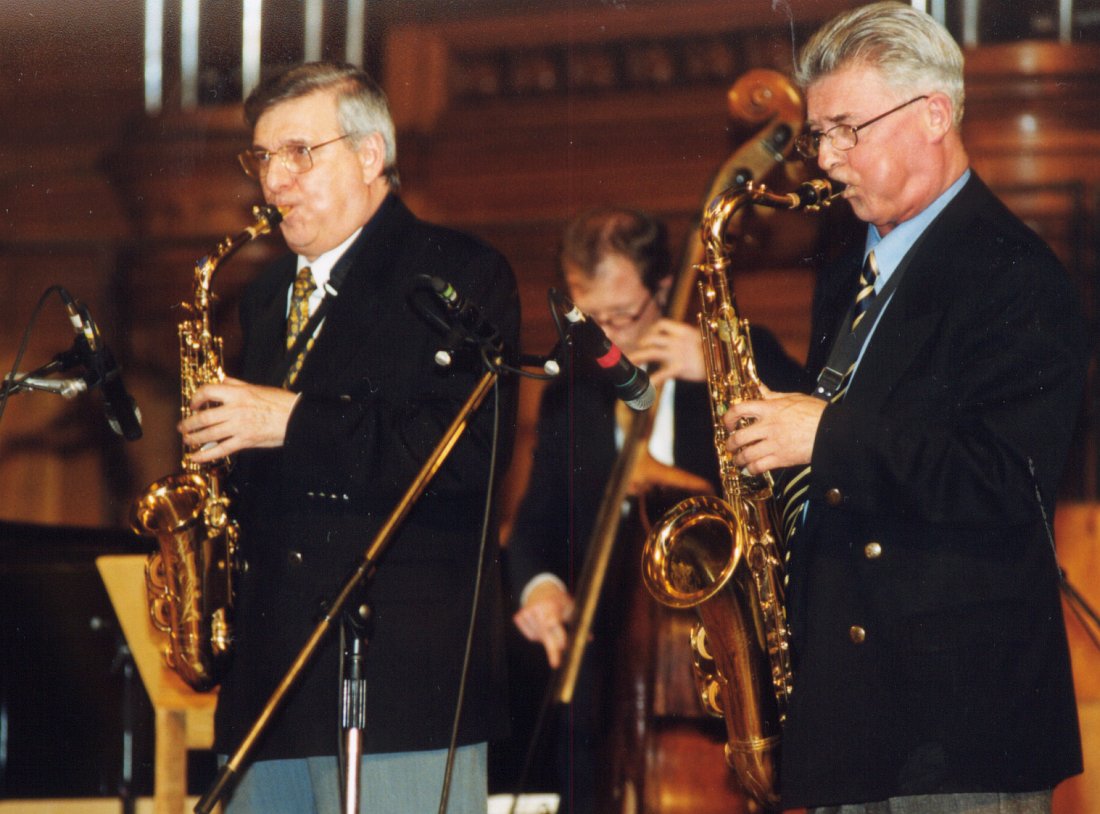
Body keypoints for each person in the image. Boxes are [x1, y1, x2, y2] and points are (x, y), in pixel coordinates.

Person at [723, 3, 1087, 812]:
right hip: (853, 723)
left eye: (848, 128)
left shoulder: (1014, 274)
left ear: (934, 114)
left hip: (955, 733)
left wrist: (825, 434)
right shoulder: (850, 269)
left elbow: (1006, 481)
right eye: (820, 135)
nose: (826, 158)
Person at [178, 62, 519, 814]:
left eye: (300, 152)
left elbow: (461, 454)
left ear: (370, 156)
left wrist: (287, 420)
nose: (275, 182)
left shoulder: (458, 271)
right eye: (263, 158)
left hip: (400, 689)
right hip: (270, 685)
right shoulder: (265, 296)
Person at [506, 206, 804, 813]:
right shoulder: (573, 391)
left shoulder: (736, 357)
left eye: (623, 315)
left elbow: (802, 481)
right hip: (606, 680)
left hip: (712, 672)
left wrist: (725, 370)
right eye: (591, 321)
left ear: (664, 290)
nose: (606, 338)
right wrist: (539, 588)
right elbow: (536, 523)